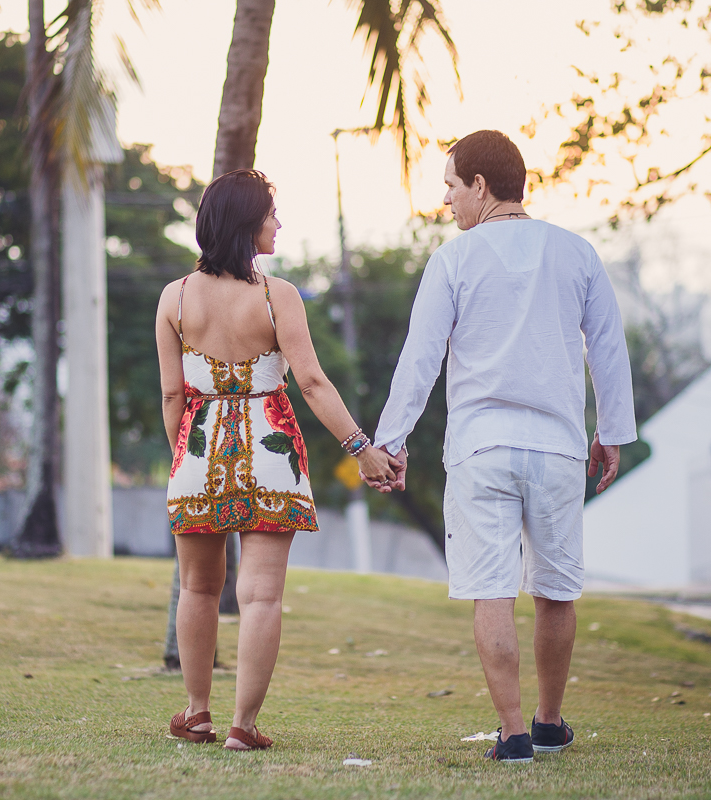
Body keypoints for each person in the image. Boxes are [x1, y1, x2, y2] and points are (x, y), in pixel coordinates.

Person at [366, 131, 636, 762]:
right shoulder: (576, 253)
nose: (448, 202)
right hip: (559, 447)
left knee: (493, 590)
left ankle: (512, 733)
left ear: (481, 187)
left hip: (480, 449)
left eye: (451, 187)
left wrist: (391, 442)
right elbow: (609, 347)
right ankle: (548, 723)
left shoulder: (454, 260)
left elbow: (421, 358)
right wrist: (613, 433)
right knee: (555, 590)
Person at [156, 169, 401, 751]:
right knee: (262, 594)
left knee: (197, 588)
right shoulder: (277, 295)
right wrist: (361, 450)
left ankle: (197, 713)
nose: (279, 223)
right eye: (271, 213)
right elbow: (312, 383)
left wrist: (182, 460)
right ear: (246, 223)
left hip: (198, 447)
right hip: (272, 450)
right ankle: (244, 725)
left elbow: (171, 395)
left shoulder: (176, 297)